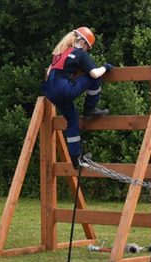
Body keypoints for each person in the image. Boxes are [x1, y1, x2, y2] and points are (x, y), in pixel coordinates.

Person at [42, 26, 114, 168]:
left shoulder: (59, 53)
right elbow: (94, 73)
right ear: (84, 43)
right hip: (63, 90)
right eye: (88, 47)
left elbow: (49, 72)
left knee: (73, 120)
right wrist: (106, 67)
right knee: (95, 78)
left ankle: (76, 160)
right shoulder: (81, 53)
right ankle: (90, 109)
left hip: (50, 93)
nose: (87, 50)